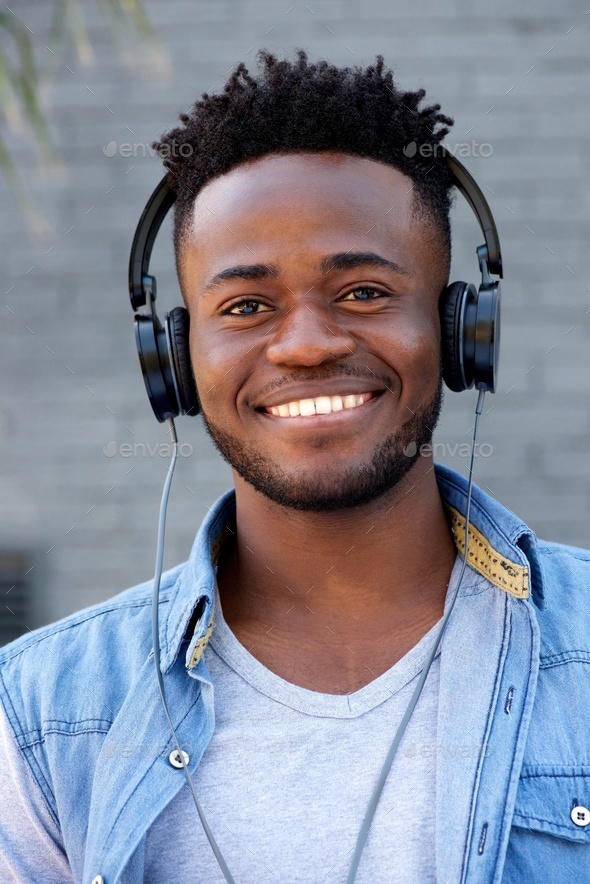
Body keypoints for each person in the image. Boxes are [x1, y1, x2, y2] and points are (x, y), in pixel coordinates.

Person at [1, 51, 589, 884]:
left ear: (460, 329)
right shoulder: (42, 714)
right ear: (173, 359)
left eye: (363, 293)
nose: (308, 344)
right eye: (245, 306)